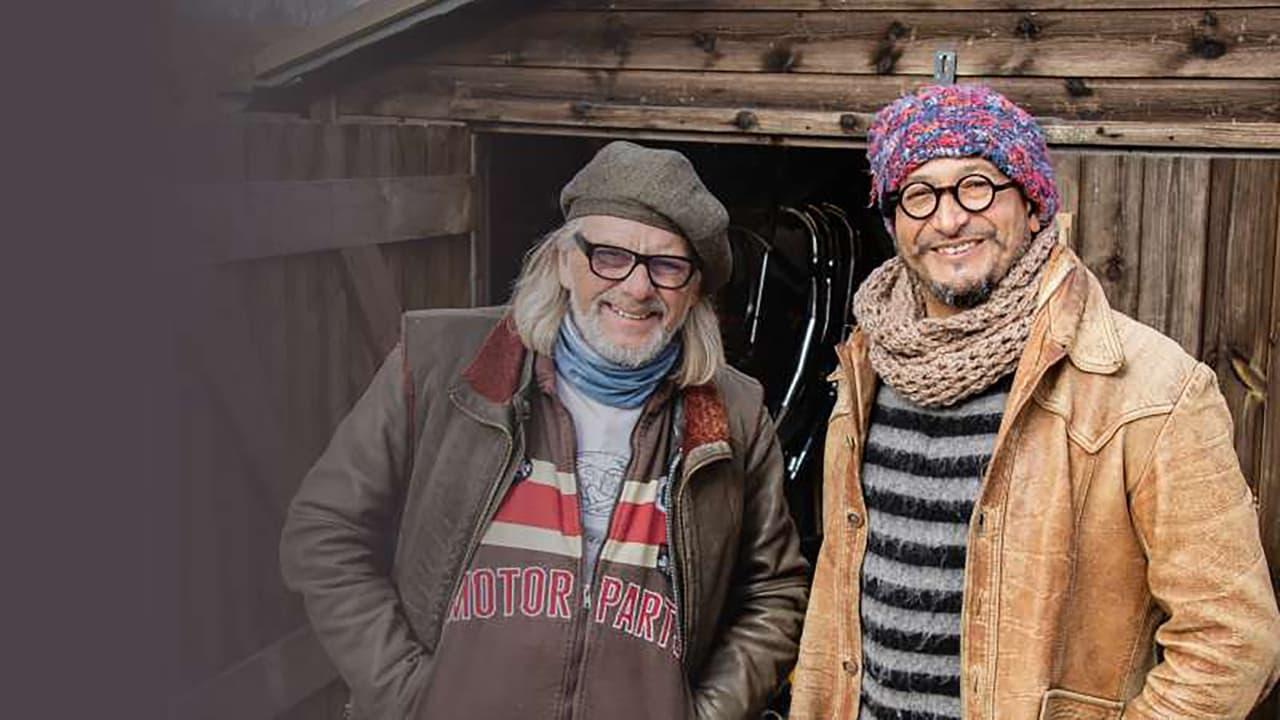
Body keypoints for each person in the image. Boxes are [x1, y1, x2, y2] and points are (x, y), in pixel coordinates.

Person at [790, 84, 1280, 719]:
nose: (948, 219)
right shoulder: (866, 364)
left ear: (1031, 203)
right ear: (894, 220)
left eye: (977, 184)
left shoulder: (1151, 388)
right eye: (919, 193)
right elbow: (837, 602)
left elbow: (1232, 641)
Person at [280, 140, 808, 720]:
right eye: (609, 255)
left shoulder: (732, 413)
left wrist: (705, 713)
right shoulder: (440, 364)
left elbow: (774, 595)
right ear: (563, 260)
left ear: (694, 291)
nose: (636, 288)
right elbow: (324, 531)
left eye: (667, 266)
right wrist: (408, 695)